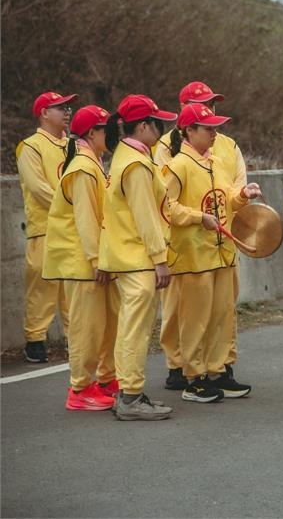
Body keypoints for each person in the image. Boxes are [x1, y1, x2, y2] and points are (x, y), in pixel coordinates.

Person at [162, 103, 261, 403]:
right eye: (208, 128)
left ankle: (218, 371)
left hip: (222, 252)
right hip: (193, 256)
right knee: (194, 319)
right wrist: (197, 217)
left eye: (215, 127)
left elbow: (227, 199)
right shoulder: (178, 165)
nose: (214, 133)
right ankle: (194, 377)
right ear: (189, 131)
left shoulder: (216, 162)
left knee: (221, 316)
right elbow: (166, 207)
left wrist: (243, 195)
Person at [99, 94, 179, 421]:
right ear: (143, 126)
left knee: (130, 327)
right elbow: (145, 216)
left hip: (127, 254)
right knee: (135, 330)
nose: (162, 129)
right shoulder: (136, 165)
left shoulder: (127, 156)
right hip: (137, 257)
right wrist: (160, 259)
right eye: (158, 123)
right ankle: (131, 397)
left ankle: (128, 393)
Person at [42, 105, 119, 410]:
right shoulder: (83, 169)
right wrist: (97, 260)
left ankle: (105, 379)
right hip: (83, 262)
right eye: (106, 129)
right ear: (92, 133)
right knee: (86, 327)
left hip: (93, 259)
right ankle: (80, 388)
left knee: (105, 323)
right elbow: (86, 219)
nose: (111, 134)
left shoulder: (92, 163)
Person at [17, 91, 76, 363]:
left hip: (73, 228)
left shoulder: (74, 145)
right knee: (42, 283)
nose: (67, 112)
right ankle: (35, 339)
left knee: (73, 284)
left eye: (68, 107)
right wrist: (72, 208)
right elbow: (38, 187)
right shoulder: (30, 146)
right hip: (45, 227)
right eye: (60, 107)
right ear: (43, 113)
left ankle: (75, 338)